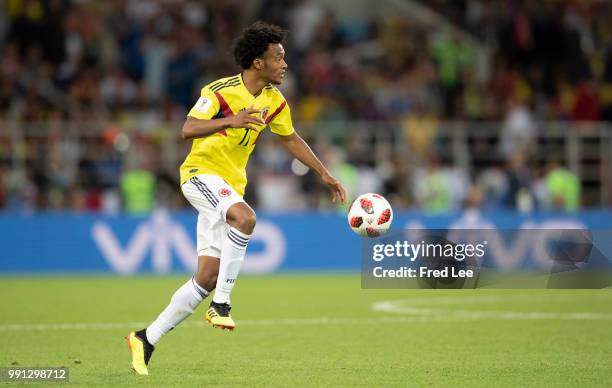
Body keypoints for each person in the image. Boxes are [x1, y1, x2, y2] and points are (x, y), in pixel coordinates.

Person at [126, 21, 347, 375]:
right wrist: (231, 120)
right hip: (199, 175)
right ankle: (223, 305)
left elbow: (291, 139)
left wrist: (325, 174)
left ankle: (145, 338)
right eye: (278, 58)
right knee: (245, 219)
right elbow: (187, 129)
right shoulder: (219, 91)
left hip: (229, 187)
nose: (285, 64)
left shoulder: (274, 101)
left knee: (206, 277)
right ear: (257, 62)